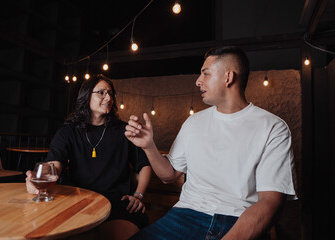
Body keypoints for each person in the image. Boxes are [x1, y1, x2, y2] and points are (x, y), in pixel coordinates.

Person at [125, 46, 297, 239]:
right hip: (185, 215)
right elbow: (169, 175)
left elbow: (270, 203)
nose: (198, 81)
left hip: (238, 219)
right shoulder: (193, 122)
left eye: (205, 74)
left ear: (228, 77)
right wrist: (149, 146)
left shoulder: (273, 128)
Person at [26, 74, 152, 240]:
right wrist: (38, 180)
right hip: (78, 201)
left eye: (110, 93)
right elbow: (54, 165)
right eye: (101, 92)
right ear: (86, 97)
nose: (108, 97)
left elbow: (144, 165)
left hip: (117, 201)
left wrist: (138, 195)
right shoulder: (68, 132)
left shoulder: (124, 131)